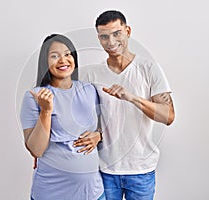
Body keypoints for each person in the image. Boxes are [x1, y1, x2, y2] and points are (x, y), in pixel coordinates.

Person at [74, 10, 175, 200]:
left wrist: (132, 97)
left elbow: (168, 116)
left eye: (116, 33)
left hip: (141, 170)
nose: (111, 42)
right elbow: (79, 118)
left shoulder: (149, 68)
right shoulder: (91, 75)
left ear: (127, 31)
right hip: (103, 170)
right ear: (99, 38)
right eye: (104, 37)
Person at [20, 34, 105, 200]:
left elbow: (106, 126)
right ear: (45, 62)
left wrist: (99, 135)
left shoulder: (89, 89)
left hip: (94, 193)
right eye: (54, 56)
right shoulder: (34, 96)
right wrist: (45, 111)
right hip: (53, 193)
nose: (63, 60)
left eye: (67, 54)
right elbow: (36, 149)